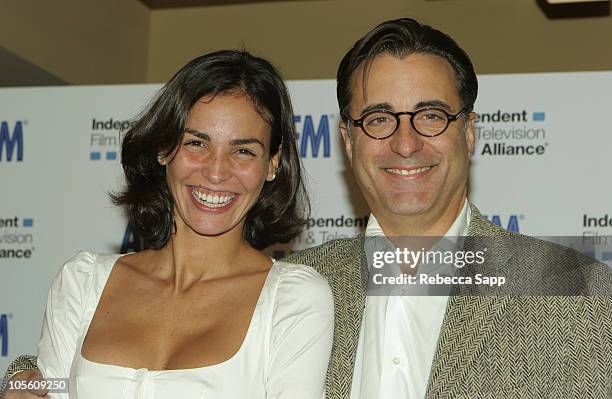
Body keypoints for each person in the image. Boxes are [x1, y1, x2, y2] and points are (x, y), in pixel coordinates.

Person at [4, 18, 612, 399]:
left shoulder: (575, 290)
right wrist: (25, 377)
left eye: (431, 115)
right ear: (346, 140)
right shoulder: (299, 286)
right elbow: (65, 370)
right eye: (378, 118)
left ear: (471, 131)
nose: (405, 143)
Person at [1, 50, 333, 399]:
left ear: (272, 164)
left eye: (243, 151)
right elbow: (50, 387)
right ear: (163, 149)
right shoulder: (82, 283)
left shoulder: (293, 300)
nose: (216, 172)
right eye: (195, 143)